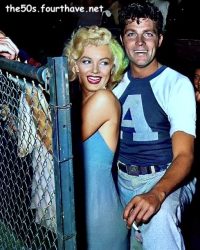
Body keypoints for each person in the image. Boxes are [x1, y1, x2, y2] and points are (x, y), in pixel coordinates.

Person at [113, 1, 196, 249]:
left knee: (159, 223)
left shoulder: (176, 84)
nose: (140, 43)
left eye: (147, 34)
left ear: (159, 40)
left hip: (165, 177)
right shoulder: (112, 82)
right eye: (132, 34)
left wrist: (156, 194)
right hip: (122, 179)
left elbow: (184, 154)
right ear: (122, 40)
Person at [63, 25, 129, 249]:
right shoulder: (78, 102)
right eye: (86, 61)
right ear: (74, 65)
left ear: (113, 69)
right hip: (80, 213)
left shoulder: (103, 99)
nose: (95, 70)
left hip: (99, 219)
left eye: (104, 62)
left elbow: (60, 145)